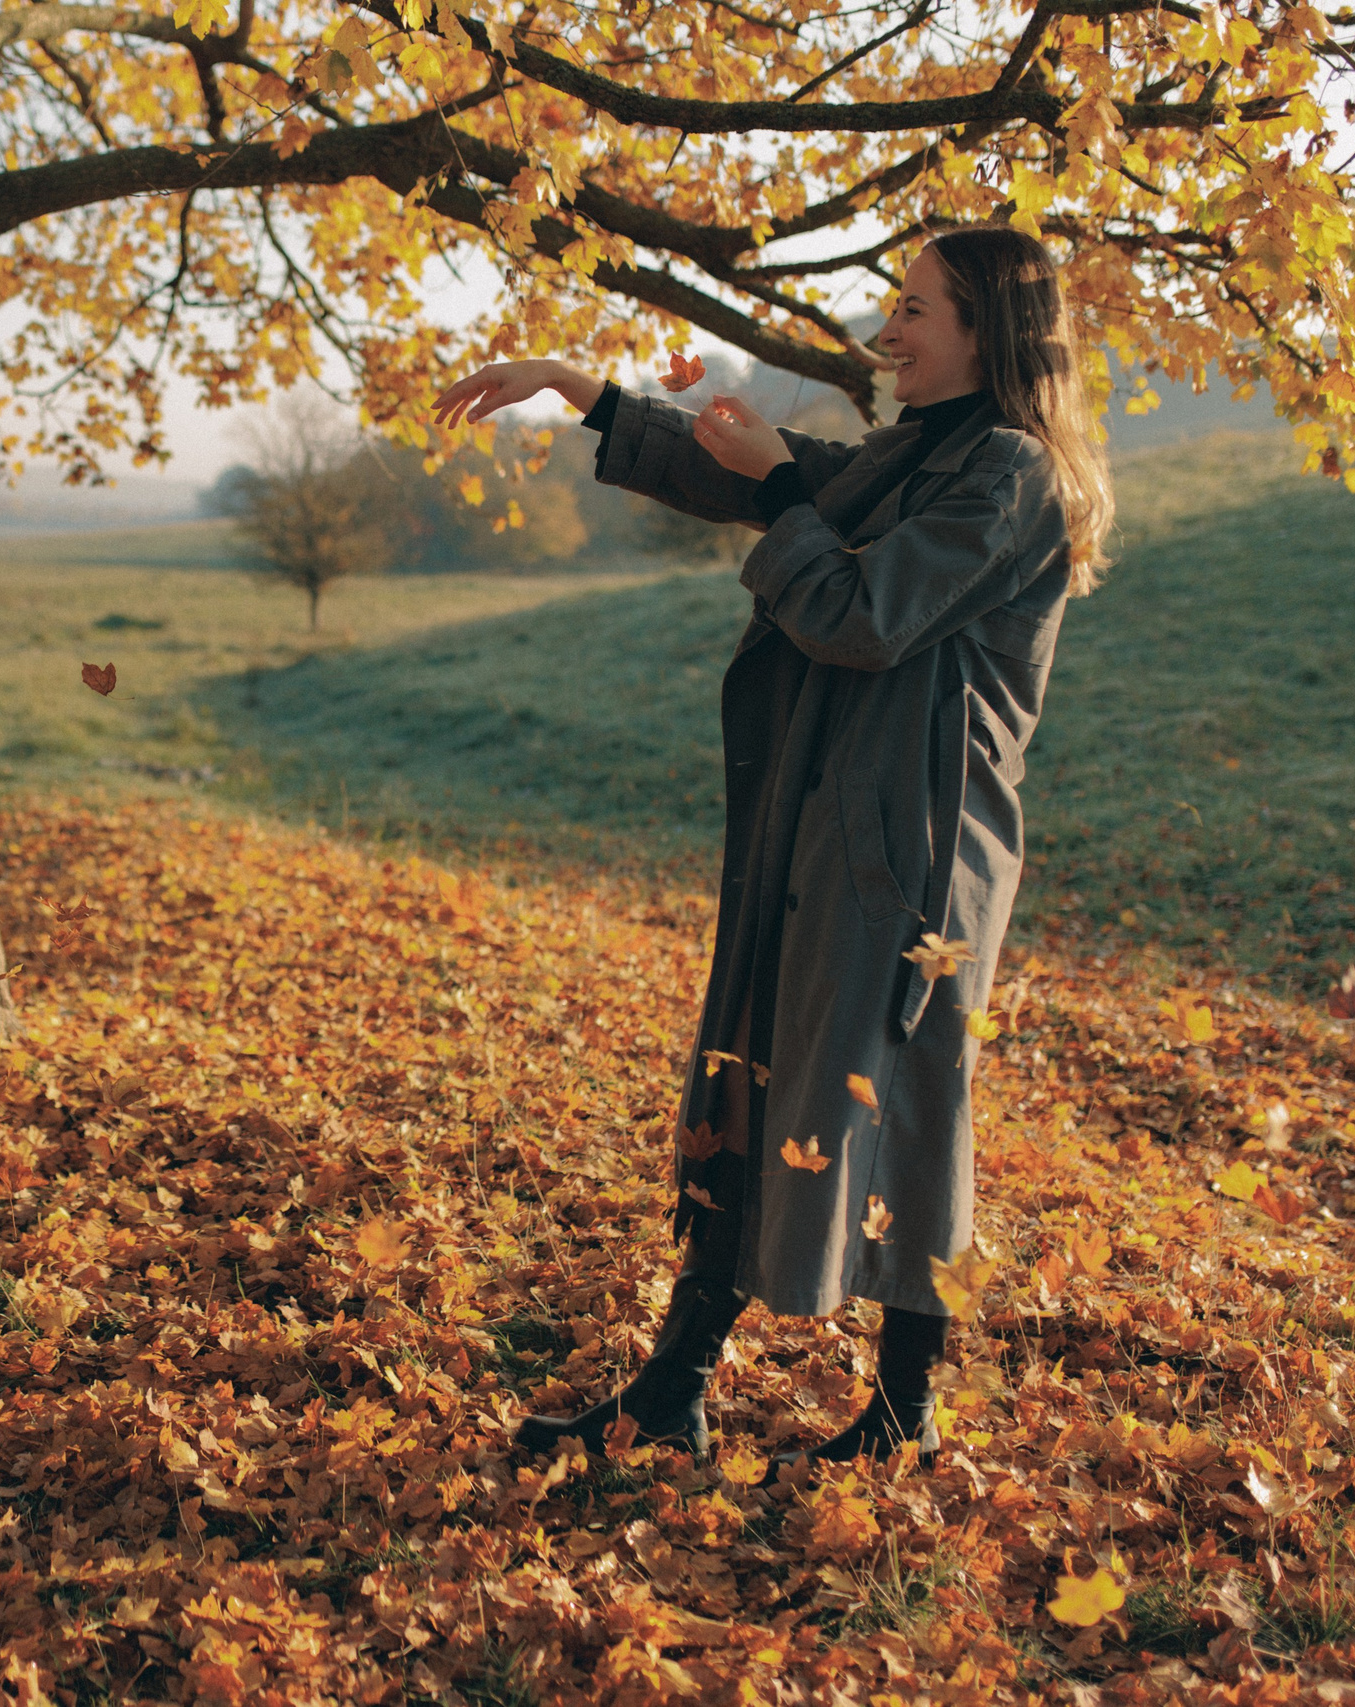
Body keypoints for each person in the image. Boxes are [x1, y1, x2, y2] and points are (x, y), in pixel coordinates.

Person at [432, 227, 1113, 1472]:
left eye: (912, 310)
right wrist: (583, 391)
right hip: (822, 822)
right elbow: (770, 475)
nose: (884, 333)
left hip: (913, 851)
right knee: (754, 1077)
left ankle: (904, 1411)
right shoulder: (921, 449)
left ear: (986, 330)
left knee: (897, 1102)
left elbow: (861, 613)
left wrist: (790, 494)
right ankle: (670, 1392)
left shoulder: (1010, 475)